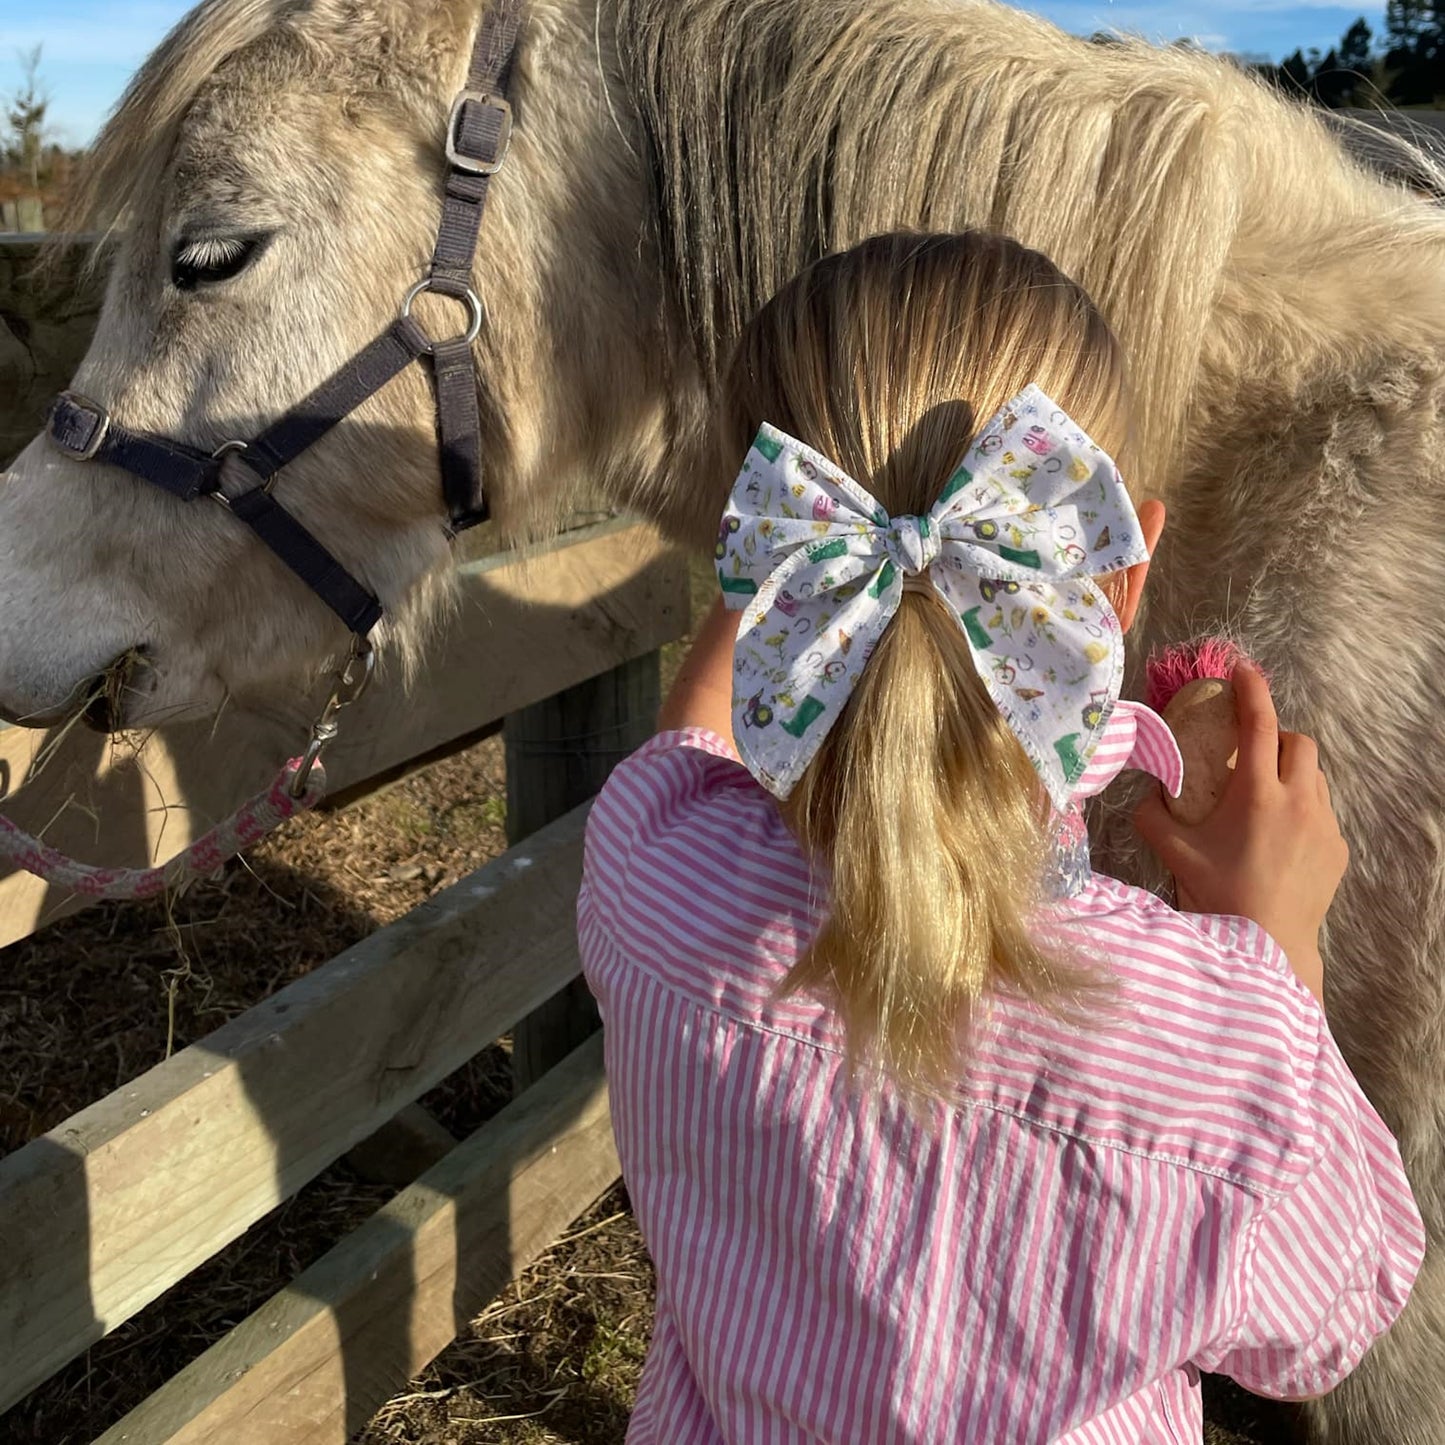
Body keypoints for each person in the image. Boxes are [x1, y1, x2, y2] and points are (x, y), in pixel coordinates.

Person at [576, 231, 1423, 1443]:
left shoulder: (653, 869)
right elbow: (1322, 1318)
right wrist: (1274, 947)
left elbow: (694, 736)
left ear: (770, 550)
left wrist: (793, 573)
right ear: (1121, 573)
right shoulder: (1226, 1044)